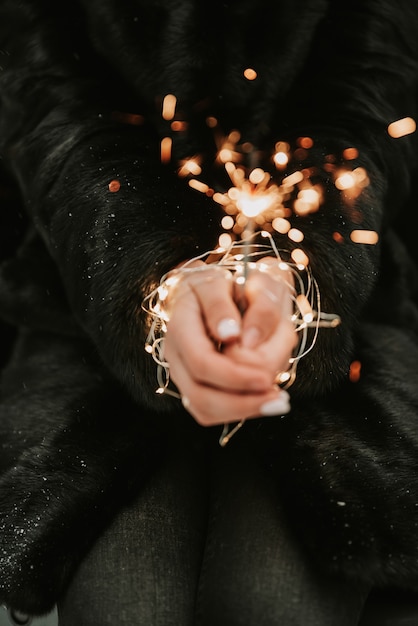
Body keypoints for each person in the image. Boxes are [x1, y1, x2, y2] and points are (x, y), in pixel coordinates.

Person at [1, 1, 418, 624]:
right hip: (86, 285)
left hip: (343, 310)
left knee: (273, 603)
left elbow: (368, 95)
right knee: (129, 606)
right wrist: (151, 280)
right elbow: (45, 98)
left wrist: (296, 279)